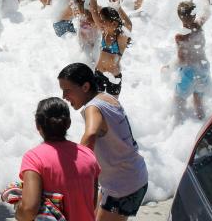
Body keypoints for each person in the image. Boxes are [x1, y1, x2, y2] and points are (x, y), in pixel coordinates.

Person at [58, 63, 148, 220]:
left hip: (123, 186)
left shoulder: (92, 108)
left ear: (85, 87)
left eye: (67, 90)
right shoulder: (106, 97)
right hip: (128, 177)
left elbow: (91, 133)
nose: (63, 96)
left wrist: (73, 169)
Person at [15, 97, 100, 221]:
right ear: (68, 123)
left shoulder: (33, 158)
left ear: (38, 126)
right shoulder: (89, 155)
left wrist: (18, 209)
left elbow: (29, 209)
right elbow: (91, 203)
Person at [89, 0, 132, 97]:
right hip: (98, 74)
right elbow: (93, 12)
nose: (101, 22)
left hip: (113, 78)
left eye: (103, 20)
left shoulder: (120, 38)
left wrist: (118, 8)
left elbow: (129, 25)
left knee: (112, 106)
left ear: (113, 23)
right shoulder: (104, 33)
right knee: (97, 103)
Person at [175, 0, 212, 120]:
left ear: (179, 17)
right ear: (194, 14)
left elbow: (182, 60)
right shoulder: (199, 25)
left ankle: (177, 122)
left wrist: (169, 67)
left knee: (179, 98)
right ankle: (201, 120)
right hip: (202, 67)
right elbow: (207, 13)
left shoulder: (180, 36)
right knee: (198, 98)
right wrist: (206, 1)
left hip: (188, 71)